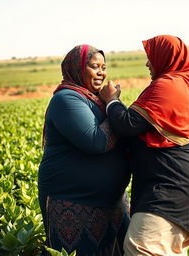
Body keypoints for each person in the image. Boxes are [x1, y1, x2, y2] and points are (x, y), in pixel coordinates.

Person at [99, 35, 189, 255]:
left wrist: (112, 100)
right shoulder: (183, 85)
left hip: (171, 185)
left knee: (140, 246)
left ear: (166, 57)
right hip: (180, 181)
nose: (147, 64)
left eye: (151, 57)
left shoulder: (168, 86)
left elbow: (128, 124)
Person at [38, 44, 131, 256]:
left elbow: (123, 127)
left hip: (112, 201)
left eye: (104, 67)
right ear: (78, 69)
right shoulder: (66, 99)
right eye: (94, 66)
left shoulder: (97, 100)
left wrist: (111, 104)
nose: (101, 72)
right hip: (73, 200)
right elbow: (96, 141)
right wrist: (113, 103)